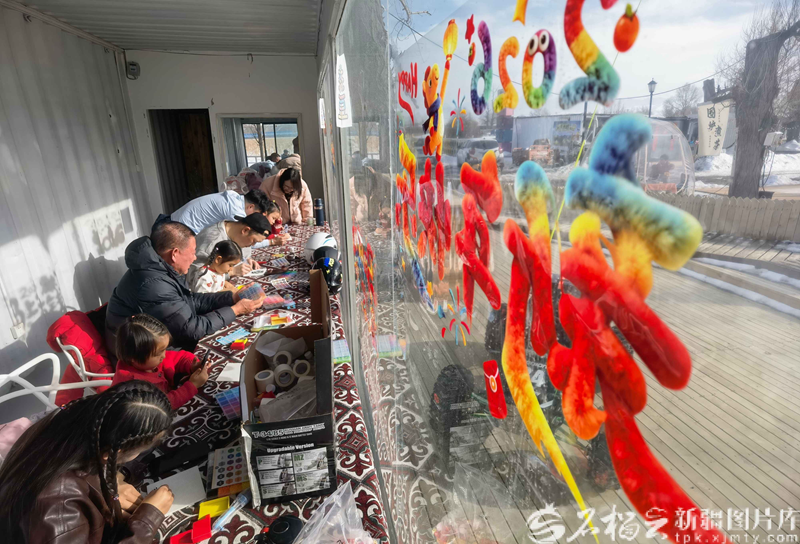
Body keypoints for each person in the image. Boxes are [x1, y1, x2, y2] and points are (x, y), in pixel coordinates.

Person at [0, 381, 175, 543]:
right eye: (140, 451)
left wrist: (112, 479)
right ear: (110, 453)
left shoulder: (71, 422)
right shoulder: (59, 509)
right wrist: (147, 521)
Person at [105, 222, 263, 352]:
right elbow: (191, 329)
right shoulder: (153, 285)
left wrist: (232, 298)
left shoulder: (161, 268)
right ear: (174, 254)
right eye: (192, 252)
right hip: (141, 353)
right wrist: (236, 310)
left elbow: (190, 300)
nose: (195, 258)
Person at [112, 315, 210, 409]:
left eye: (164, 349)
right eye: (158, 353)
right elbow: (162, 405)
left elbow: (179, 357)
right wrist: (192, 386)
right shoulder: (133, 388)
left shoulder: (149, 361)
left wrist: (192, 365)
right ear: (133, 357)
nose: (164, 355)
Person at [187, 213, 272, 286]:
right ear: (245, 230)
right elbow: (194, 278)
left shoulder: (237, 233)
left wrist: (248, 260)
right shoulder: (212, 241)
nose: (252, 245)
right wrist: (231, 272)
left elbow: (245, 253)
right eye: (254, 241)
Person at [168, 189, 270, 234]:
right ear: (251, 206)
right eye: (257, 214)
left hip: (173, 218)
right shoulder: (236, 211)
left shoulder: (234, 196)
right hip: (180, 229)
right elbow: (239, 237)